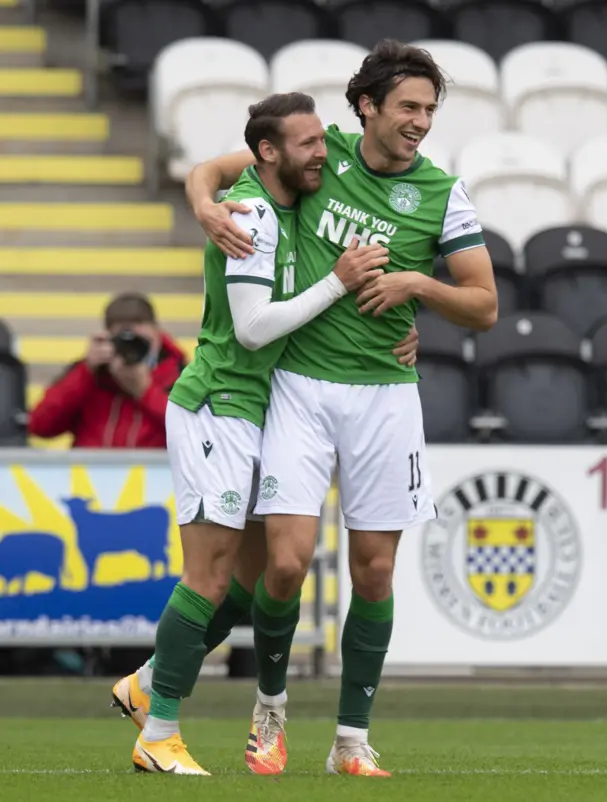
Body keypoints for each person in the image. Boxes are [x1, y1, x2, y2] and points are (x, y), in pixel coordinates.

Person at [182, 39, 498, 777]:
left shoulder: (444, 192)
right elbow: (214, 168)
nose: (421, 121)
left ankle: (351, 742)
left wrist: (418, 286)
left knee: (375, 573)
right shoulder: (320, 156)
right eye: (408, 107)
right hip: (299, 387)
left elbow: (483, 305)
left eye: (429, 109)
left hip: (387, 397)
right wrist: (202, 204)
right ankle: (270, 710)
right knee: (285, 567)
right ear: (368, 106)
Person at [121, 92, 393, 776]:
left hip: (255, 407)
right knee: (208, 577)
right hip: (219, 401)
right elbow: (251, 328)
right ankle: (158, 734)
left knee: (244, 585)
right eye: (308, 145)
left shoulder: (277, 189)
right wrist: (336, 283)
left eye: (321, 142)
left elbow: (209, 169)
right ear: (271, 152)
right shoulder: (255, 216)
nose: (322, 155)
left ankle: (149, 679)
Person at [28, 293, 185, 448]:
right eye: (125, 343)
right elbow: (40, 425)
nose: (132, 351)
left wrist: (145, 391)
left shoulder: (180, 375)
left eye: (140, 342)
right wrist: (86, 370)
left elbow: (192, 432)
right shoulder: (91, 376)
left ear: (157, 333)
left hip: (155, 472)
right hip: (90, 472)